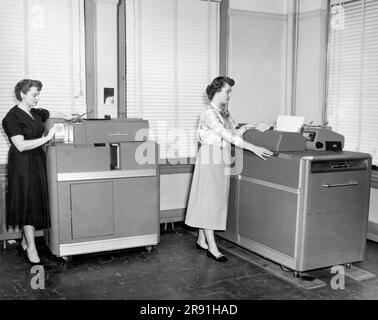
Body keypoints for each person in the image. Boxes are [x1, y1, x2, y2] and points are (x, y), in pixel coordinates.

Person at [184, 76, 273, 262]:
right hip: (210, 157)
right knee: (208, 200)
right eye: (227, 91)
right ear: (217, 91)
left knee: (214, 199)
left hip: (221, 157)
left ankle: (202, 239)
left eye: (230, 91)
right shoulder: (208, 113)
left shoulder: (223, 112)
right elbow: (226, 135)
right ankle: (212, 247)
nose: (230, 95)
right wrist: (254, 148)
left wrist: (250, 126)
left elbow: (232, 133)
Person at [2, 79, 72, 265]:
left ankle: (26, 241)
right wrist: (47, 137)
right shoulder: (11, 118)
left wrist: (68, 116)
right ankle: (31, 248)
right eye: (34, 94)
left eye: (38, 94)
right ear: (22, 94)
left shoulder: (35, 112)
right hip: (22, 163)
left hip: (37, 161)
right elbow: (20, 145)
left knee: (36, 200)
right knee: (28, 203)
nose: (37, 97)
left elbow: (52, 113)